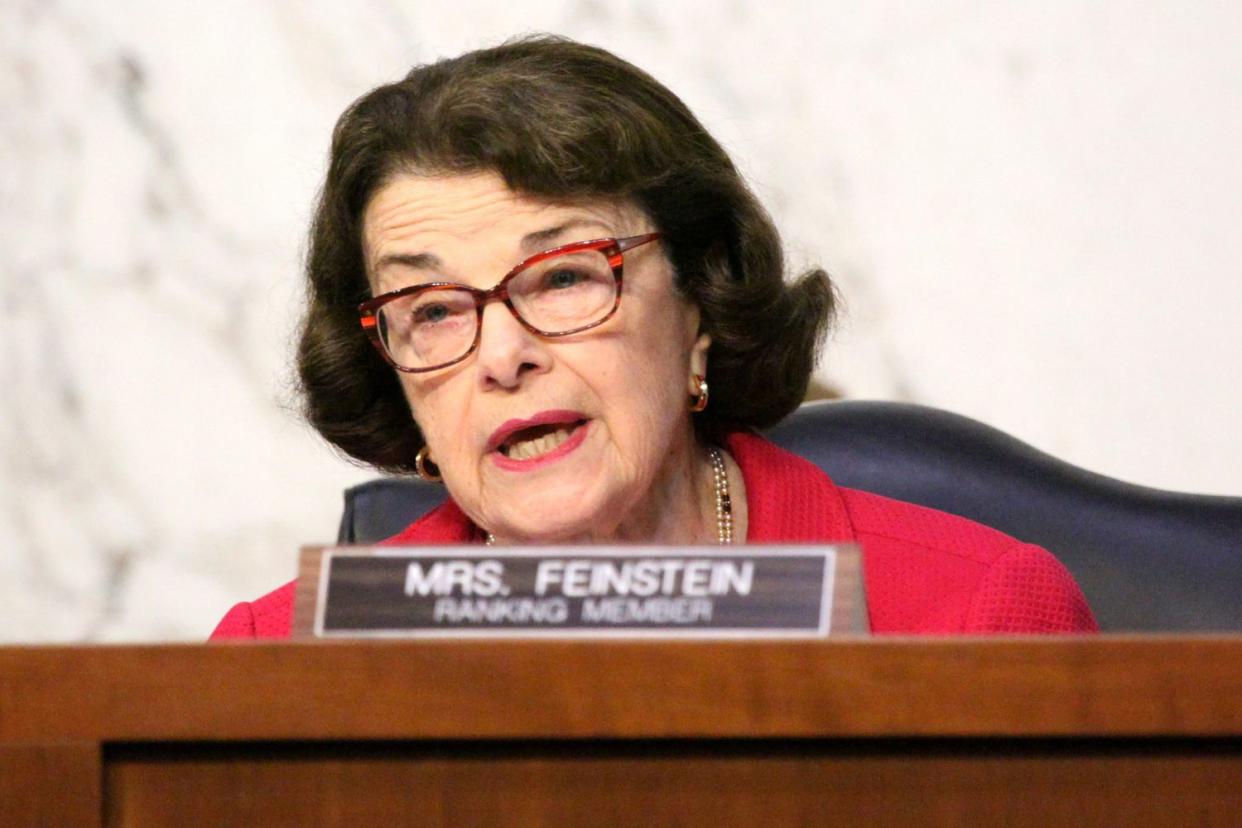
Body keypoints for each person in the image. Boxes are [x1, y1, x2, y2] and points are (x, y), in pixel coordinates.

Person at [211, 36, 1096, 639]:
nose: (501, 356)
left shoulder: (978, 611)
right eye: (433, 310)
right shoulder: (275, 657)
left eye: (564, 277)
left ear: (701, 305)